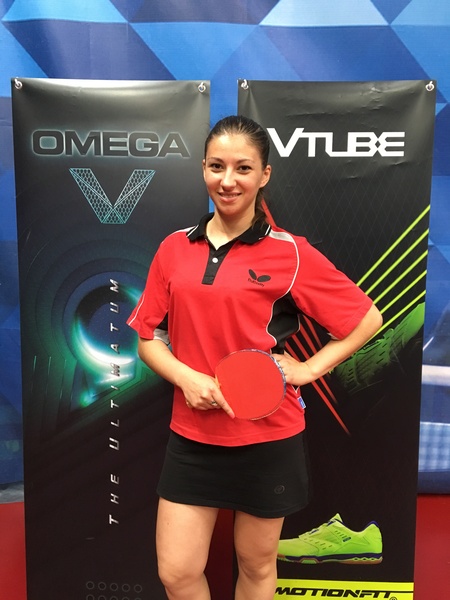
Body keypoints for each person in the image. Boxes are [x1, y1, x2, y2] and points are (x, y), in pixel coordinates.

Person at [127, 115, 383, 600]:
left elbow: (366, 318)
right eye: (216, 166)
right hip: (193, 437)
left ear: (264, 175)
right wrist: (186, 378)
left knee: (256, 564)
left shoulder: (291, 253)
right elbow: (147, 339)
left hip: (268, 437)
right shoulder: (174, 248)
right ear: (203, 168)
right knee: (177, 572)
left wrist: (308, 369)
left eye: (243, 168)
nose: (228, 180)